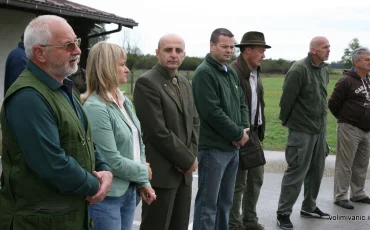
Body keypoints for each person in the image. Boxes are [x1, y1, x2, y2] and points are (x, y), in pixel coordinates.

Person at [0, 15, 113, 230]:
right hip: (37, 221)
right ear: (40, 53)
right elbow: (52, 164)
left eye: (76, 43)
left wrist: (104, 168)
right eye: (67, 45)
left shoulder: (63, 89)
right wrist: (95, 185)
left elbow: (85, 139)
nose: (78, 51)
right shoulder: (28, 97)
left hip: (65, 217)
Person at [81, 42, 156, 230]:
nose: (127, 69)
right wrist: (143, 172)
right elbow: (110, 160)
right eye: (122, 64)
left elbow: (139, 145)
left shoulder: (124, 102)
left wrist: (143, 182)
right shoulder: (96, 107)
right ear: (106, 67)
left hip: (129, 191)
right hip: (108, 197)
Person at [134, 34, 199, 230]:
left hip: (183, 174)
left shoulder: (184, 82)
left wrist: (189, 158)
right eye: (168, 50)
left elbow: (195, 122)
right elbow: (157, 131)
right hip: (162, 173)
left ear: (184, 54)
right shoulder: (147, 83)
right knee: (156, 225)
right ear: (157, 53)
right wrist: (186, 160)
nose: (174, 55)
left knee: (179, 225)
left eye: (178, 51)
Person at [192, 28, 250, 230]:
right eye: (224, 46)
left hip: (232, 148)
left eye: (232, 47)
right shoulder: (204, 73)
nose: (229, 51)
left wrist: (243, 130)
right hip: (213, 149)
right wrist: (237, 134)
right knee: (208, 205)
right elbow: (212, 112)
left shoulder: (230, 72)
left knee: (225, 203)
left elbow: (242, 103)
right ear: (212, 46)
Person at [277, 36, 331, 229]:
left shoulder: (324, 69)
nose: (329, 50)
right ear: (313, 50)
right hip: (301, 130)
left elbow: (322, 99)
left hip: (319, 130)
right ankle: (283, 212)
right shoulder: (299, 69)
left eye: (329, 47)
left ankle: (309, 206)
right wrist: (285, 119)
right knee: (296, 172)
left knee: (316, 170)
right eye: (325, 47)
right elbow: (287, 99)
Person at [229, 31, 270, 230]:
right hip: (239, 134)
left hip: (254, 134)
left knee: (256, 179)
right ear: (247, 51)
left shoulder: (255, 72)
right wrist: (238, 133)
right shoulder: (233, 72)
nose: (264, 55)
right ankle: (234, 224)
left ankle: (250, 220)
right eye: (260, 51)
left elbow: (257, 103)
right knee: (238, 183)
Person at [329, 47, 370, 209]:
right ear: (356, 62)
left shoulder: (367, 79)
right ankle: (340, 196)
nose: (369, 62)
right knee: (345, 163)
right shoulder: (346, 80)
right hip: (350, 127)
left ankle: (358, 193)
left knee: (362, 163)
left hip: (366, 129)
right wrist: (345, 119)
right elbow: (333, 104)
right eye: (367, 59)